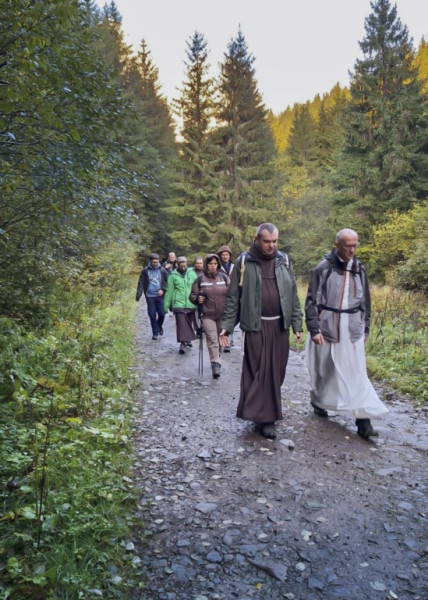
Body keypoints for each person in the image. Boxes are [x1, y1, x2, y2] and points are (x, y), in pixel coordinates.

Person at [220, 223, 303, 439]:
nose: (271, 245)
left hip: (280, 326)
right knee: (258, 370)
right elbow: (233, 298)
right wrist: (226, 327)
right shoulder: (244, 262)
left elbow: (293, 295)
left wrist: (297, 324)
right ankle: (266, 419)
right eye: (267, 241)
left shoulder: (284, 261)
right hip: (255, 326)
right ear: (256, 239)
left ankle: (261, 411)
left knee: (277, 371)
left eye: (275, 241)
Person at [304, 228, 388, 439]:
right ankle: (319, 401)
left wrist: (366, 328)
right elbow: (312, 301)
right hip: (326, 327)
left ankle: (363, 421)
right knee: (323, 370)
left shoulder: (360, 269)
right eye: (348, 246)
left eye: (354, 246)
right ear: (337, 245)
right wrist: (314, 328)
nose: (352, 250)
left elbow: (365, 301)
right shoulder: (323, 268)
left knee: (356, 374)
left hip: (352, 329)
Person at [190, 254, 229, 379]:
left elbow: (232, 295)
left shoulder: (224, 278)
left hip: (223, 315)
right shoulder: (200, 279)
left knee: (221, 339)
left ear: (218, 265)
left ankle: (217, 356)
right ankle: (215, 364)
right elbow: (192, 296)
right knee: (212, 339)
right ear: (206, 265)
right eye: (210, 263)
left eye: (215, 264)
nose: (213, 266)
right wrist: (198, 299)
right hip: (207, 315)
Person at [164, 256, 198, 354]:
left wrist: (198, 301)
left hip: (191, 303)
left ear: (187, 264)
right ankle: (182, 344)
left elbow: (197, 288)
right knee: (181, 324)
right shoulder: (173, 276)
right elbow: (169, 291)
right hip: (178, 303)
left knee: (189, 323)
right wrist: (166, 305)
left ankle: (188, 339)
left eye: (184, 266)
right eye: (181, 266)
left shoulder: (192, 274)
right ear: (177, 265)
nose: (183, 268)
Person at [136, 253, 169, 340]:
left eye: (157, 262)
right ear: (150, 261)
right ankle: (155, 332)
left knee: (162, 314)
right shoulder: (145, 270)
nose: (155, 264)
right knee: (152, 314)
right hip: (149, 295)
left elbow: (169, 282)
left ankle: (159, 326)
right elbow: (141, 283)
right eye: (153, 262)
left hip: (160, 296)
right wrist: (138, 295)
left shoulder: (162, 270)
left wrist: (163, 290)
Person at [217, 244, 235, 351]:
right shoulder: (217, 267)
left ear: (230, 256)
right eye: (223, 255)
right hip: (221, 295)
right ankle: (224, 340)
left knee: (231, 317)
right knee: (223, 318)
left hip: (233, 295)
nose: (225, 257)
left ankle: (229, 340)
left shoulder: (234, 266)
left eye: (227, 255)